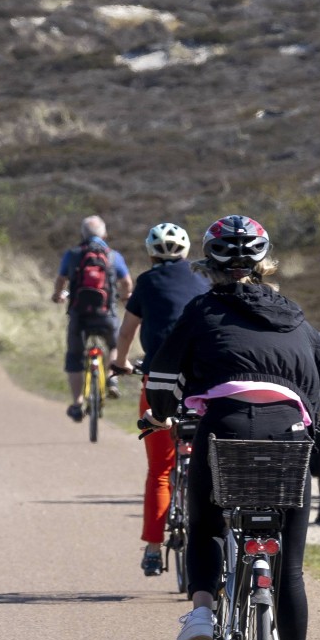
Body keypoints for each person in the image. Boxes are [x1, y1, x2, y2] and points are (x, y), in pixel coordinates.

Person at [145, 215, 320, 640]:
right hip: (288, 440)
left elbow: (163, 378)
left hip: (224, 429)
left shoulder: (200, 311)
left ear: (209, 266)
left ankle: (204, 613)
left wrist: (166, 413)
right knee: (289, 566)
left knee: (208, 525)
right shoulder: (296, 316)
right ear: (263, 262)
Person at [112, 222, 209, 576]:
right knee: (206, 465)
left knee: (160, 471)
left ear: (151, 253)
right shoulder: (203, 280)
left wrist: (121, 363)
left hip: (158, 382)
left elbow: (126, 331)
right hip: (201, 384)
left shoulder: (147, 283)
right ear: (185, 252)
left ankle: (153, 548)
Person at [51, 215, 132, 422]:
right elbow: (126, 282)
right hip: (106, 315)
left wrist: (57, 295)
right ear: (104, 234)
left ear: (82, 234)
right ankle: (112, 380)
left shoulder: (73, 254)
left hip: (79, 316)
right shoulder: (113, 256)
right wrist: (124, 298)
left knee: (75, 356)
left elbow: (61, 279)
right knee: (115, 344)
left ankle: (77, 403)